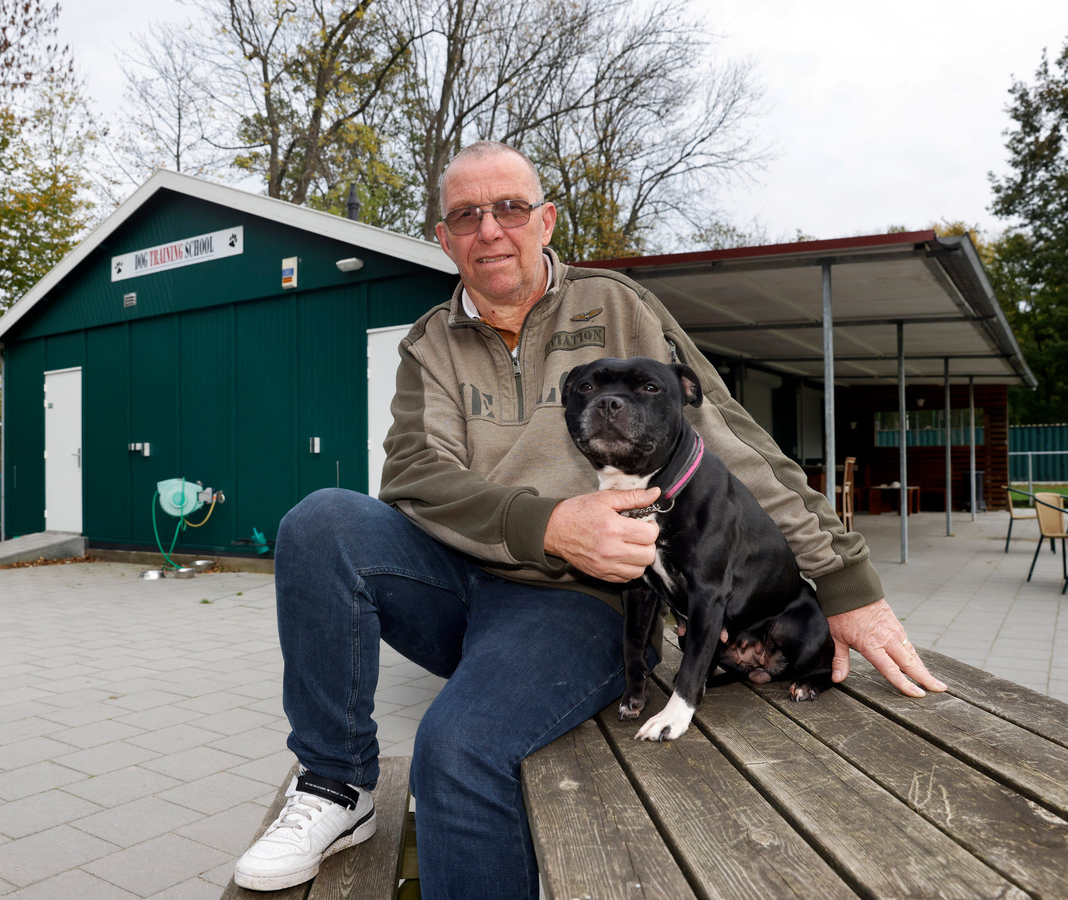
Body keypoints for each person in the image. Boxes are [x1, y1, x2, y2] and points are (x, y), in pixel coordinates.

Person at [233, 140, 946, 898]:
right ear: (443, 238)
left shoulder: (616, 305)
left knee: (457, 745)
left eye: (510, 208)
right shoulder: (429, 342)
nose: (489, 230)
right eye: (466, 215)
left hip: (582, 599)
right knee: (321, 521)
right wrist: (546, 523)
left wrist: (844, 581)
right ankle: (336, 785)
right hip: (458, 576)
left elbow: (734, 442)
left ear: (545, 221)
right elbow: (413, 474)